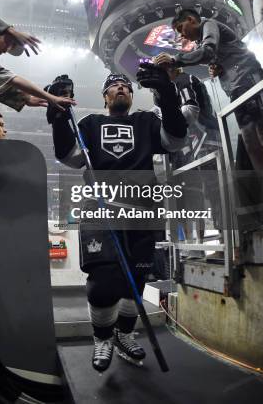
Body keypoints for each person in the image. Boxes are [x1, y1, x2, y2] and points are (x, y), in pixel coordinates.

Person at [48, 71, 187, 372]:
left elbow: (175, 140)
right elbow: (69, 156)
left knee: (135, 281)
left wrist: (168, 95)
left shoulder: (147, 122)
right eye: (114, 86)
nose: (121, 88)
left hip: (143, 210)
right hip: (101, 208)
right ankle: (102, 337)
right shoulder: (89, 124)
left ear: (132, 95)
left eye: (125, 86)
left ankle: (124, 333)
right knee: (103, 282)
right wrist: (59, 117)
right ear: (105, 96)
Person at [154, 9, 263, 174]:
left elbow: (208, 51)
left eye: (180, 28)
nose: (181, 35)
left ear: (191, 19)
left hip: (249, 78)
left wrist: (175, 60)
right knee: (249, 139)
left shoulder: (209, 24)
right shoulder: (201, 41)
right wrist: (218, 69)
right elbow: (215, 56)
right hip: (236, 89)